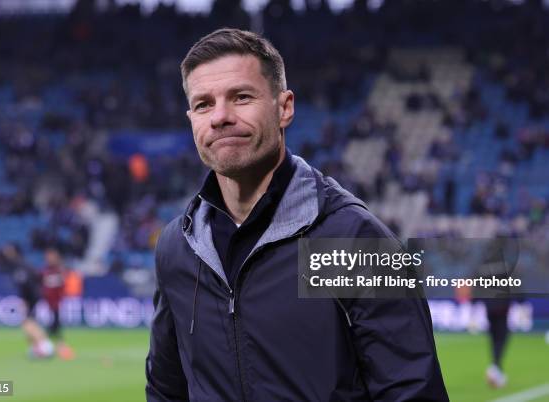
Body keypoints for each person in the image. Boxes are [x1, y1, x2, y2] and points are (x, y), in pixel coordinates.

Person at [146, 28, 448, 401]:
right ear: (191, 118)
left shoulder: (352, 239)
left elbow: (413, 393)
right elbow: (165, 390)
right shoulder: (178, 247)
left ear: (284, 107)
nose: (220, 116)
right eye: (204, 104)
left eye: (241, 97)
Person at [0, 243, 54, 358]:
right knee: (28, 323)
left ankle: (45, 347)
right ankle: (37, 348)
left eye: (9, 251)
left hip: (32, 297)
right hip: (32, 296)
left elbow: (28, 285)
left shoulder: (20, 266)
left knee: (28, 323)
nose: (6, 253)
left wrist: (25, 301)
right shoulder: (18, 265)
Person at [42, 248, 75, 360]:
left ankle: (51, 346)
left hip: (57, 303)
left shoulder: (60, 271)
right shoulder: (44, 271)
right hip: (47, 303)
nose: (49, 259)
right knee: (53, 326)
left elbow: (63, 286)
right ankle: (55, 346)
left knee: (55, 325)